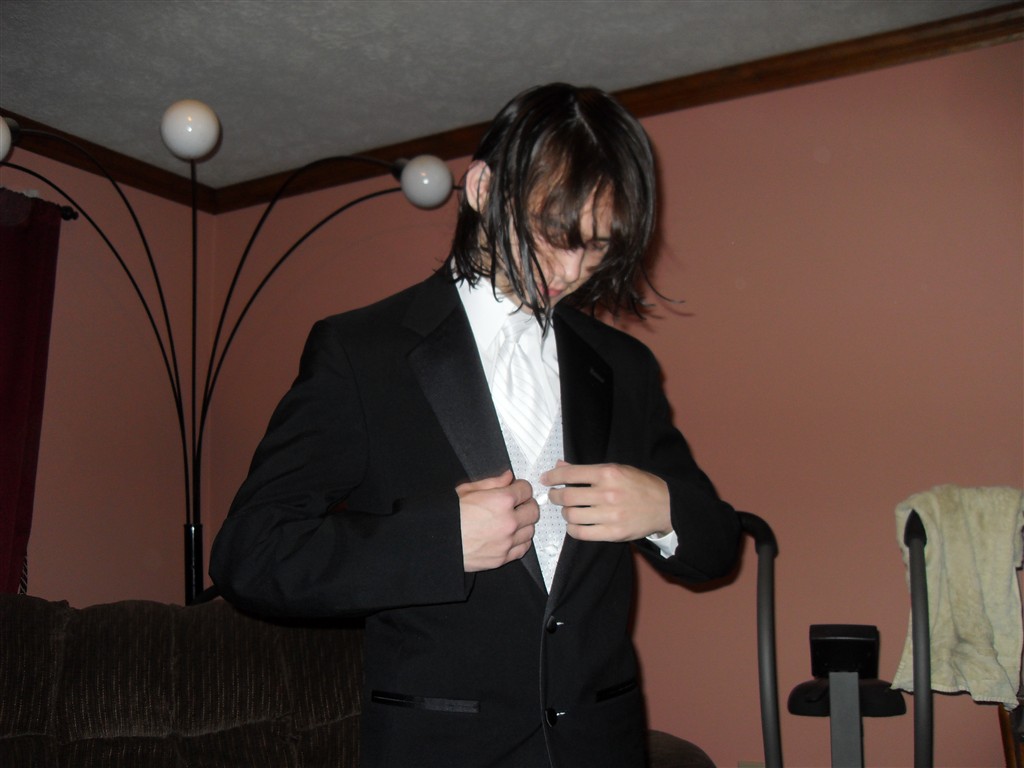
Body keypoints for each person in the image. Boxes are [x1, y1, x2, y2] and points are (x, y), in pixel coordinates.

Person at [210, 83, 741, 768]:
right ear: (485, 188)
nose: (572, 271)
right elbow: (250, 554)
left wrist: (662, 509)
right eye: (555, 234)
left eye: (598, 248)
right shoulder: (363, 352)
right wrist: (438, 542)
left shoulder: (623, 366)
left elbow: (718, 545)